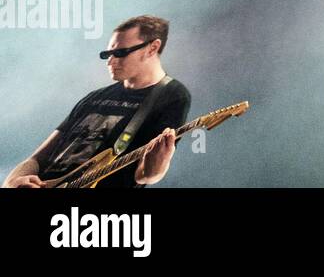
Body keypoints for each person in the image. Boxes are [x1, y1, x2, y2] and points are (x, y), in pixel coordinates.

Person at [3, 15, 191, 188]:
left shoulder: (172, 95)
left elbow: (144, 175)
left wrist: (155, 168)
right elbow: (38, 158)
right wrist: (12, 181)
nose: (110, 62)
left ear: (153, 47)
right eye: (107, 54)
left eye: (120, 53)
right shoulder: (95, 97)